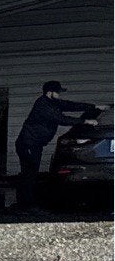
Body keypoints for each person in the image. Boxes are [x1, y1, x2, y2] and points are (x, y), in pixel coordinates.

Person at [15, 81, 95, 211]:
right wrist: (85, 121)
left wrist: (92, 106)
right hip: (28, 144)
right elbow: (62, 119)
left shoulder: (53, 103)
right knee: (29, 173)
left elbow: (69, 105)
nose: (59, 94)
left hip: (35, 144)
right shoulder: (43, 105)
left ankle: (25, 203)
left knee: (30, 172)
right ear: (49, 92)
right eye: (57, 92)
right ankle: (26, 205)